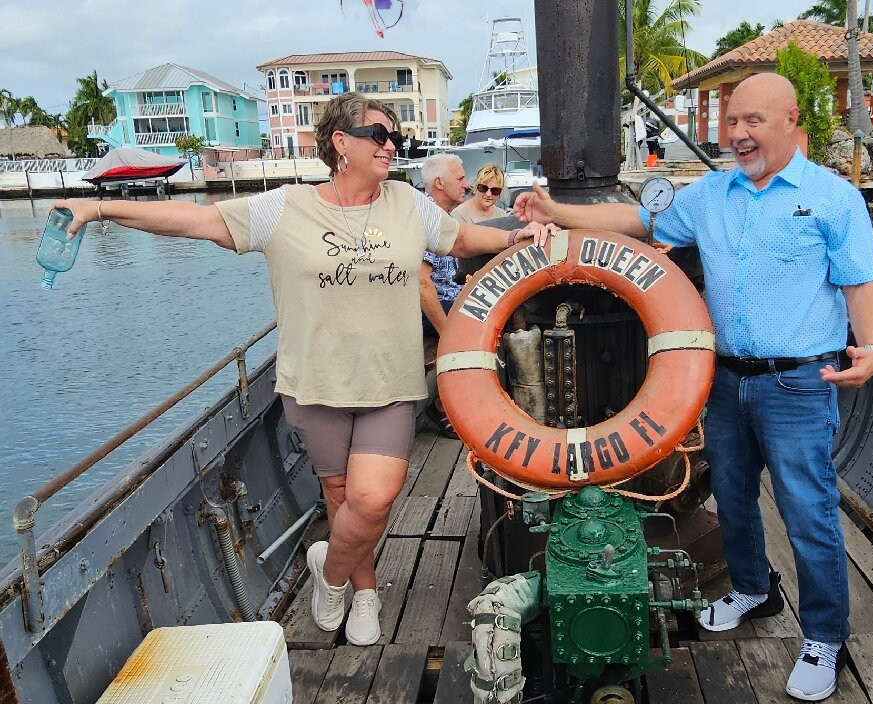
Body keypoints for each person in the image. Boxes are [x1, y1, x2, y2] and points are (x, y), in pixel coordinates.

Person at [54, 91, 553, 647]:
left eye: (395, 137)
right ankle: (364, 591)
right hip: (316, 384)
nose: (393, 145)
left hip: (389, 383)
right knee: (339, 497)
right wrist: (99, 208)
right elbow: (193, 220)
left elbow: (460, 237)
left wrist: (515, 236)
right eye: (379, 135)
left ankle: (330, 571)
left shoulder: (407, 204)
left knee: (374, 498)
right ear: (341, 143)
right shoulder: (284, 208)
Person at [514, 73, 873, 702]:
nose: (738, 134)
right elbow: (636, 217)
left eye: (753, 121)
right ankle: (753, 589)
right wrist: (556, 212)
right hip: (723, 378)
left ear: (793, 120)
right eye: (732, 121)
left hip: (799, 382)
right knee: (735, 497)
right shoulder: (712, 194)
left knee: (809, 514)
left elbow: (862, 285)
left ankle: (825, 636)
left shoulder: (832, 199)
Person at [419, 153, 469, 436]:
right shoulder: (426, 218)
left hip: (446, 295)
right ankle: (441, 405)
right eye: (460, 178)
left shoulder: (442, 216)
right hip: (422, 308)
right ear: (440, 182)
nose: (467, 184)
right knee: (476, 321)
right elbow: (422, 286)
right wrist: (449, 333)